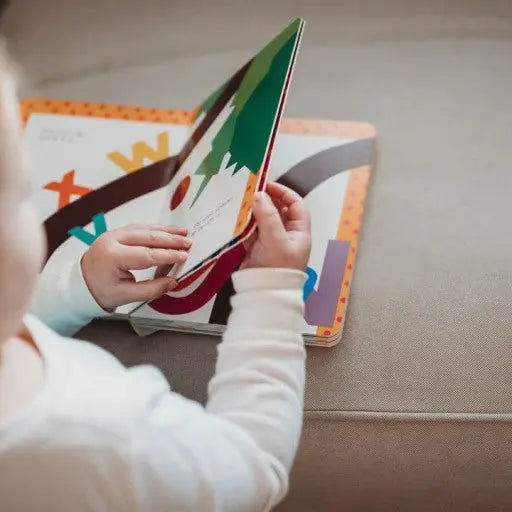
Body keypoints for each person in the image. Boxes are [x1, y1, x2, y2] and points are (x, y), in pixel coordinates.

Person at [0, 46, 311, 511]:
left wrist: (77, 288)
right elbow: (252, 468)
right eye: (22, 192)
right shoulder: (111, 437)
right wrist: (272, 289)